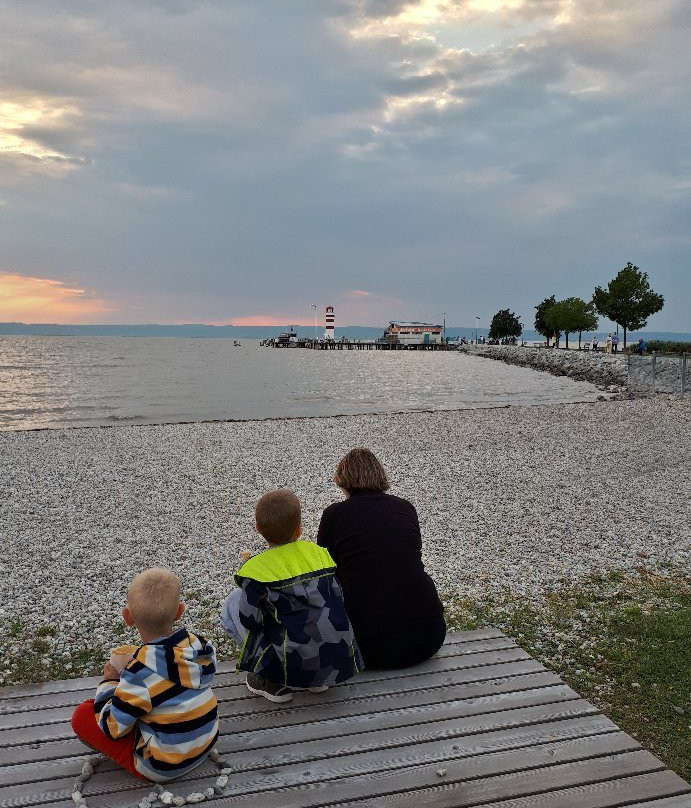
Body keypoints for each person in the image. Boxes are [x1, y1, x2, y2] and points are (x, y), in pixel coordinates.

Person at [71, 568, 219, 782]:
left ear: (127, 617)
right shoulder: (199, 649)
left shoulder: (139, 673)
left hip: (164, 765)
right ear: (179, 611)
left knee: (84, 714)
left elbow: (113, 728)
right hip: (206, 742)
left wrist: (109, 682)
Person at [221, 489, 361, 703]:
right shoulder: (320, 554)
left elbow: (251, 620)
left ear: (258, 528)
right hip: (336, 658)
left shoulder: (255, 570)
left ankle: (269, 680)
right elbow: (337, 598)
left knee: (233, 601)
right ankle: (317, 680)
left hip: (292, 664)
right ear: (299, 528)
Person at [317, 448, 446, 669]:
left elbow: (325, 569)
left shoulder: (335, 515)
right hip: (428, 637)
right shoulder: (405, 508)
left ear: (343, 481)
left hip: (367, 649)